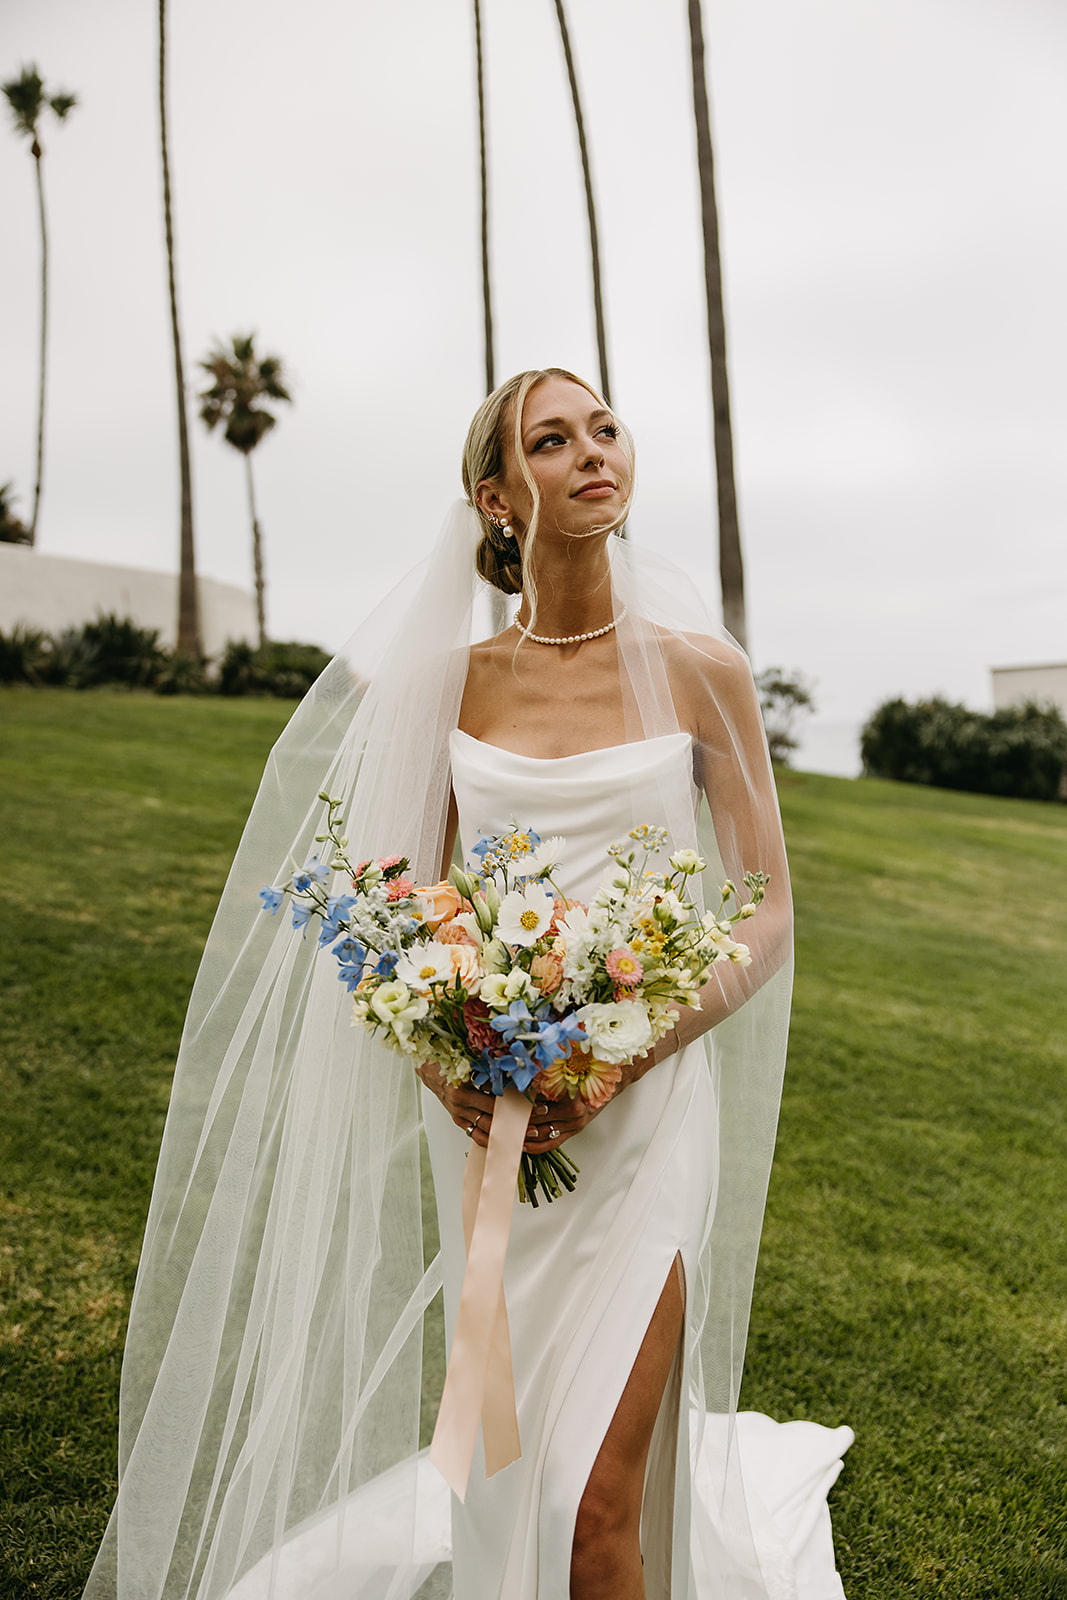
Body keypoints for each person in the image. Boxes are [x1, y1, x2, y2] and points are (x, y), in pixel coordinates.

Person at [84, 369, 851, 1600]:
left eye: (603, 428)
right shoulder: (448, 685)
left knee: (593, 1491)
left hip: (645, 1115)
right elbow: (396, 916)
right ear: (496, 499)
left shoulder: (704, 671)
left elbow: (763, 906)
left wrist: (623, 1048)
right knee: (509, 1468)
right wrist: (450, 1058)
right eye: (552, 440)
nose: (593, 451)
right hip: (499, 1129)